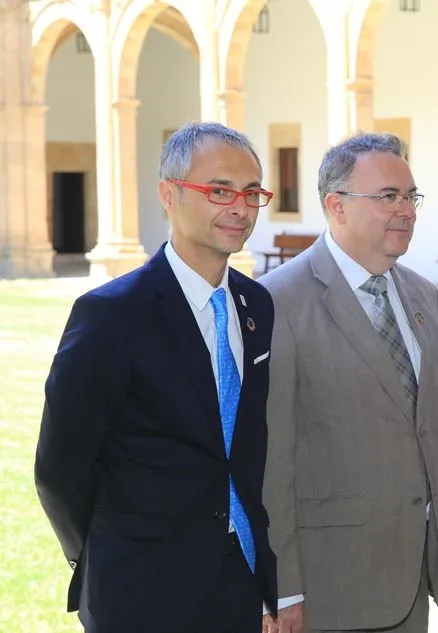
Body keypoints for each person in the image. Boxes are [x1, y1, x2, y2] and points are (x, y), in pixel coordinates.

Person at [34, 121, 279, 633]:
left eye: (252, 192)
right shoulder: (111, 315)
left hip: (241, 581)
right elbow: (61, 467)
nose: (240, 206)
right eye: (219, 190)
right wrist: (106, 551)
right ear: (169, 194)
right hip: (140, 589)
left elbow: (244, 448)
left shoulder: (256, 305)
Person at [258, 132, 438, 633]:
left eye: (410, 196)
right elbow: (270, 461)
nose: (406, 210)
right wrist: (281, 586)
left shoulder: (423, 295)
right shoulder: (278, 301)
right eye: (388, 197)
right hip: (326, 586)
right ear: (337, 206)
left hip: (412, 578)